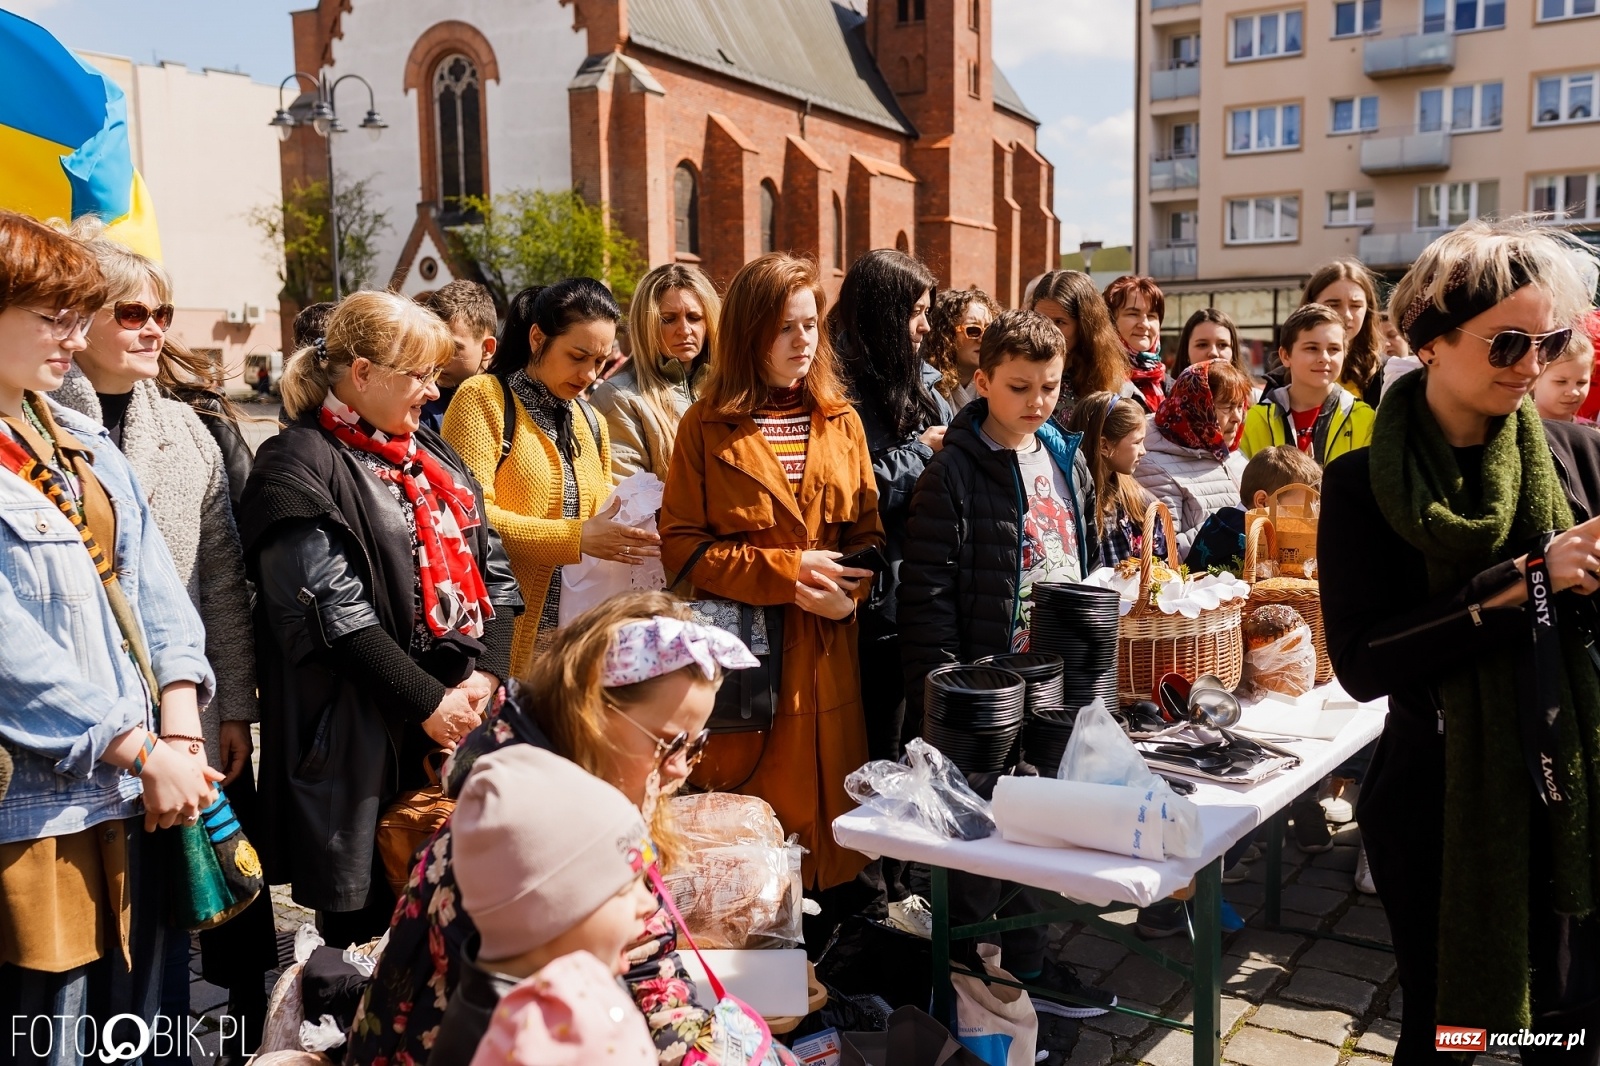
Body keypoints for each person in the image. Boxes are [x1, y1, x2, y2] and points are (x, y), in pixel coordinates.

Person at [1320, 218, 1600, 1061]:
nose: (1531, 365)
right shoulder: (1364, 484)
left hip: (1566, 787)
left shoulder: (1576, 456)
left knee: (1568, 1028)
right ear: (1430, 343)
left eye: (1547, 343)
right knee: (1446, 1031)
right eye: (1507, 343)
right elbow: (1362, 665)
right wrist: (1520, 585)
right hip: (1433, 800)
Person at [347, 592, 766, 1065]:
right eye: (669, 743)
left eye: (696, 744)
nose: (681, 767)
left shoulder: (550, 789)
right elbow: (652, 994)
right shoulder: (547, 837)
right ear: (594, 716)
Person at [238, 290, 523, 948]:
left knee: (459, 924)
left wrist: (484, 678)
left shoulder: (432, 455)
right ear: (362, 373)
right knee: (367, 938)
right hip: (360, 740)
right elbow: (329, 612)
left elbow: (496, 574)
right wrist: (430, 702)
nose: (433, 391)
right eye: (419, 375)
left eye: (436, 373)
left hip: (452, 720)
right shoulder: (295, 463)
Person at [0, 211, 219, 1061]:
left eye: (77, 314)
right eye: (52, 315)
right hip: (37, 809)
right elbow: (12, 654)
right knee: (51, 1035)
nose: (73, 334)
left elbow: (157, 591)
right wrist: (141, 746)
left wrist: (181, 731)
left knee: (145, 1032)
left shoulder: (80, 441)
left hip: (138, 792)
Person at [54, 222, 271, 1053]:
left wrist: (234, 706)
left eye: (163, 313)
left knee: (180, 912)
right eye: (133, 312)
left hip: (183, 705)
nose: (154, 329)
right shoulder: (40, 421)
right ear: (82, 321)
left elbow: (220, 583)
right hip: (88, 719)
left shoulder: (188, 430)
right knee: (94, 922)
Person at [898, 309, 1111, 1022]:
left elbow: (1083, 553)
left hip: (1054, 681)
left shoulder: (1063, 455)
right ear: (982, 380)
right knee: (978, 849)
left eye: (1050, 387)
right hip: (981, 693)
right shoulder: (953, 472)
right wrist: (945, 702)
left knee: (1040, 832)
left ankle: (1029, 969)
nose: (1037, 402)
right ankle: (971, 989)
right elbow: (927, 596)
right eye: (1020, 387)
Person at [660, 252, 884, 897]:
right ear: (748, 332)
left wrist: (850, 599)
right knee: (753, 827)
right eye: (784, 327)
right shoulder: (705, 425)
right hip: (747, 653)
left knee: (837, 821)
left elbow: (868, 538)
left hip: (829, 648)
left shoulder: (841, 419)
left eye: (810, 325)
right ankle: (765, 935)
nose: (802, 340)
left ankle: (838, 938)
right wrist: (787, 572)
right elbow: (682, 549)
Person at [443, 280, 656, 670]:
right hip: (496, 639)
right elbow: (467, 520)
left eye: (600, 362)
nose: (589, 374)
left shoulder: (590, 420)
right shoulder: (483, 398)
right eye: (578, 356)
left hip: (575, 642)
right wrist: (577, 537)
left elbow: (599, 517)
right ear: (537, 338)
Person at [440, 745, 661, 1066]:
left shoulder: (574, 981)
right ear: (549, 913)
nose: (649, 903)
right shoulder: (522, 1047)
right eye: (626, 889)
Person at [830, 248, 949, 764]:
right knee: (880, 752)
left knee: (925, 749)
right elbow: (846, 488)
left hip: (929, 595)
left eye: (927, 312)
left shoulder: (925, 385)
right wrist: (922, 453)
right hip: (876, 603)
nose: (925, 327)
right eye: (915, 313)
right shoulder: (836, 392)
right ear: (883, 314)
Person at [590, 264, 720, 481]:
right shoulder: (620, 397)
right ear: (647, 325)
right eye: (669, 319)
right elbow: (628, 496)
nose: (685, 330)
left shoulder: (727, 388)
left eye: (694, 317)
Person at [1135, 360, 1252, 556]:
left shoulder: (1231, 453)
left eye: (1240, 406)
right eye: (1227, 407)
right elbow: (1164, 552)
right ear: (1196, 408)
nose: (1237, 417)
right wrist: (1228, 525)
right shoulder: (1153, 465)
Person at [1240, 304, 1375, 466]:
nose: (1324, 358)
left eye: (1334, 349)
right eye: (1312, 348)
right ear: (1285, 356)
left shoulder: (1364, 419)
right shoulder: (1255, 420)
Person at [1184, 444, 1323, 574]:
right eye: (1302, 509)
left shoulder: (1229, 524)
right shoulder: (1239, 546)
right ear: (1262, 502)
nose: (1310, 517)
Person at [1068, 391, 1168, 569]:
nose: (1143, 451)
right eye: (1137, 442)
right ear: (1104, 445)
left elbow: (1161, 563)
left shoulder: (1140, 504)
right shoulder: (1072, 506)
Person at [1027, 269, 1128, 426]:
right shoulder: (1015, 365)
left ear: (1084, 326)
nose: (1047, 329)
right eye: (1040, 318)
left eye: (1060, 322)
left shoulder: (1105, 380)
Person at [1300, 259, 1384, 407]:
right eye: (1333, 305)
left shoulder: (1385, 375)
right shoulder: (1284, 376)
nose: (1347, 315)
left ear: (1367, 310)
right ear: (1310, 306)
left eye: (1355, 305)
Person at [420, 281, 498, 433]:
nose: (438, 358)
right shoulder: (421, 408)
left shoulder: (511, 404)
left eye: (452, 348)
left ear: (487, 348)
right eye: (433, 344)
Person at [1102, 275, 1170, 412]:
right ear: (1110, 321)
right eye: (1133, 314)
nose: (1144, 324)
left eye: (1151, 316)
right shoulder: (1097, 380)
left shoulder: (1171, 387)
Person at [924, 287, 1001, 410]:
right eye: (973, 330)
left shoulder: (1001, 384)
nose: (983, 339)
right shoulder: (925, 386)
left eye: (989, 330)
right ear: (946, 334)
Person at [1533, 328, 1595, 423]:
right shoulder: (1514, 426)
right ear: (1534, 378)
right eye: (1561, 382)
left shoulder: (1592, 430)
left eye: (1581, 382)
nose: (1573, 392)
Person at [1377, 310, 1423, 401]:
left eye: (1392, 335)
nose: (1386, 343)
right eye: (1379, 339)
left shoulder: (1426, 373)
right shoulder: (1369, 381)